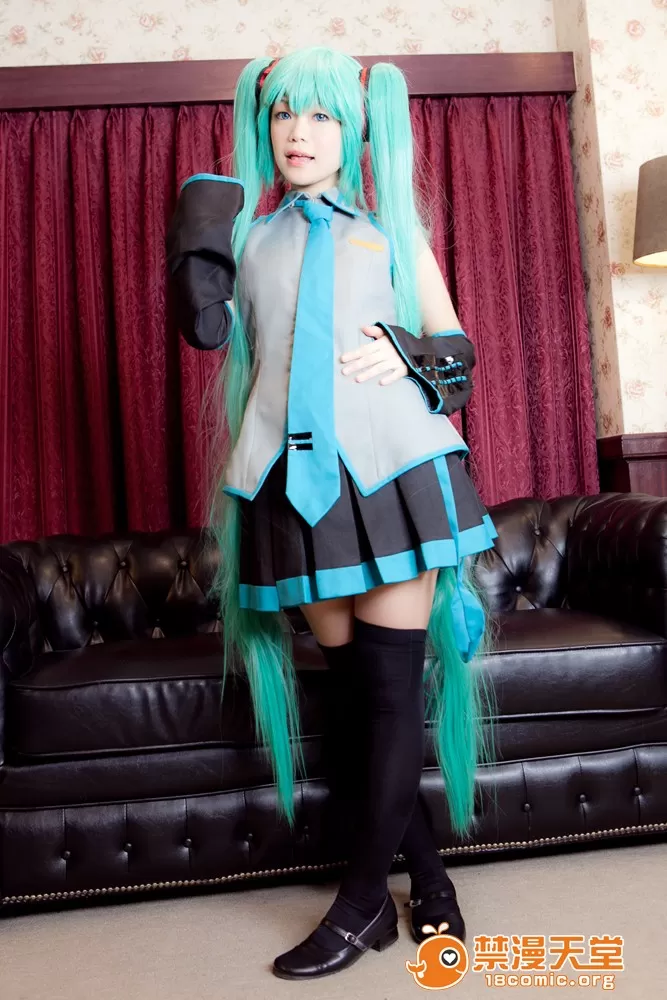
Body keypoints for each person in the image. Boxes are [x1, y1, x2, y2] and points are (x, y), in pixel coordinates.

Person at [166, 45, 500, 981]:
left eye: (319, 116)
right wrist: (201, 225)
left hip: (392, 476)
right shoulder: (249, 239)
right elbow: (204, 329)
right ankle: (428, 885)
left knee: (389, 695)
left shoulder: (389, 230)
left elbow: (457, 355)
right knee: (358, 704)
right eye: (283, 114)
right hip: (290, 483)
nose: (299, 133)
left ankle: (360, 908)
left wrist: (405, 349)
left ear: (352, 131)